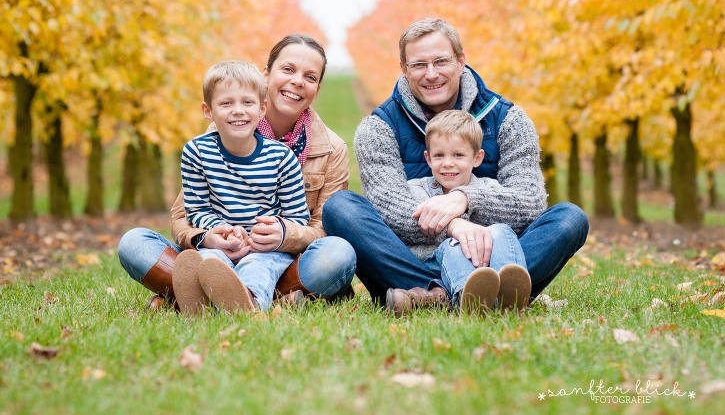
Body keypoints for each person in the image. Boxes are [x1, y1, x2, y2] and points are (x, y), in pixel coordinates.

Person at [322, 17, 588, 314]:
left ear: (461, 61)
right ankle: (480, 297)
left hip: (495, 254)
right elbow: (388, 209)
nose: (431, 74)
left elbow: (529, 203)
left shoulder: (509, 119)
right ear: (405, 70)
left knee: (570, 218)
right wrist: (452, 225)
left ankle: (434, 298)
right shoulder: (378, 128)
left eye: (441, 62)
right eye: (419, 65)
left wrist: (464, 199)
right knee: (341, 208)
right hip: (414, 260)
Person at [118, 34, 356, 312]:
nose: (298, 81)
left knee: (339, 254)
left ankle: (202, 298)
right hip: (217, 249)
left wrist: (281, 235)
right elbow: (185, 215)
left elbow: (320, 229)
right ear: (266, 75)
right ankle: (261, 299)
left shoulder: (330, 149)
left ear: (317, 87)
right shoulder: (219, 134)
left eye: (310, 77)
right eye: (288, 69)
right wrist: (209, 237)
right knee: (133, 243)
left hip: (279, 259)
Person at [171, 60, 310, 314]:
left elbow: (298, 217)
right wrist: (219, 235)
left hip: (265, 248)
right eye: (226, 103)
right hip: (221, 243)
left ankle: (249, 304)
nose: (238, 111)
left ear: (262, 108)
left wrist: (271, 234)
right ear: (208, 111)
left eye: (247, 102)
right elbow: (197, 209)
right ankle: (201, 305)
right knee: (207, 261)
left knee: (256, 267)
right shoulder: (197, 152)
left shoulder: (281, 157)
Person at [385, 109, 531, 316]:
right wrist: (457, 228)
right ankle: (469, 297)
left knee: (502, 230)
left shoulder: (488, 188)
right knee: (454, 244)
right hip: (436, 262)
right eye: (439, 155)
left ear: (477, 158)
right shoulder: (417, 189)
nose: (447, 163)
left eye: (458, 155)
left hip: (486, 258)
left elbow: (514, 212)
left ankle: (510, 293)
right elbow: (413, 219)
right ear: (428, 158)